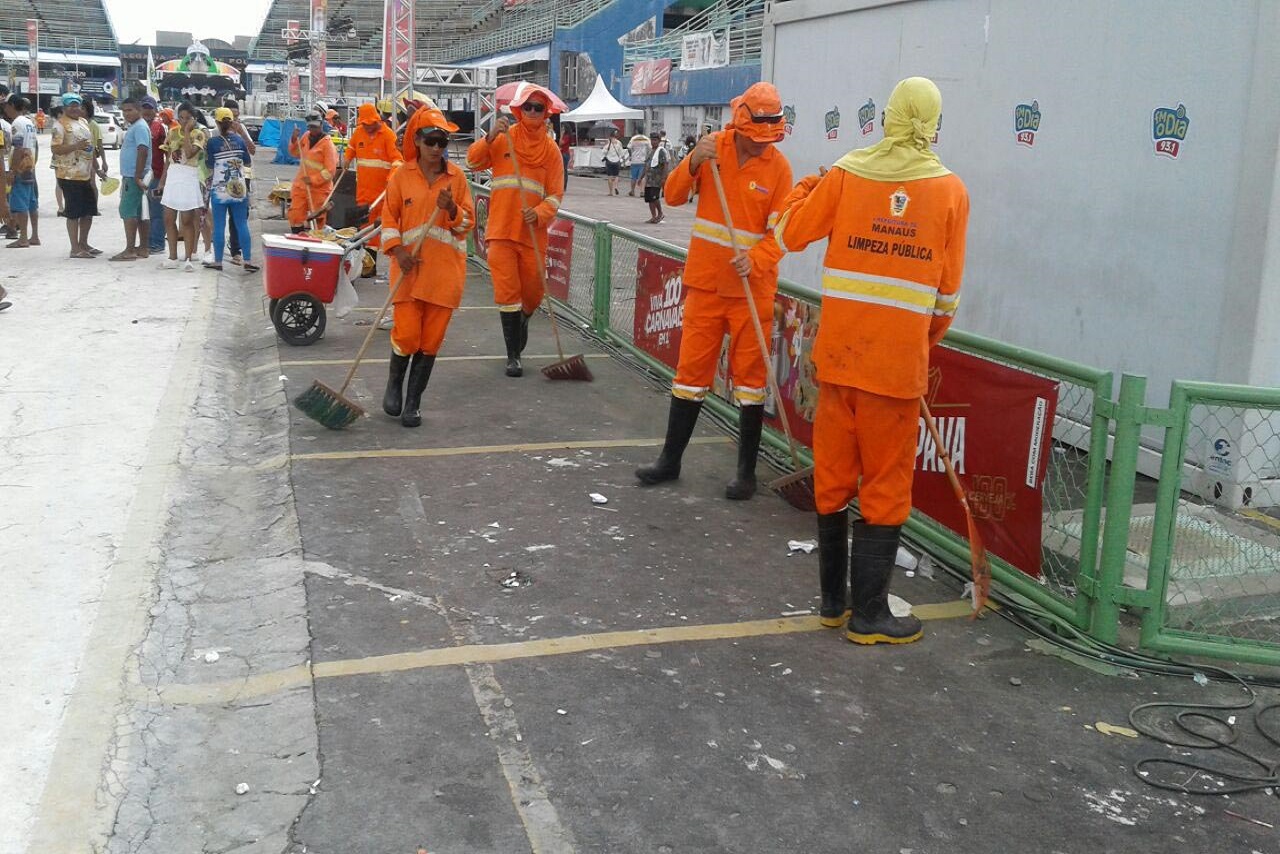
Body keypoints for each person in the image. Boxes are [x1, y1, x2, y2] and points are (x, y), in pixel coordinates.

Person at [775, 77, 969, 645]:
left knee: (832, 479)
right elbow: (947, 298)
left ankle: (833, 605)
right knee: (886, 487)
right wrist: (916, 346)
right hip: (893, 371)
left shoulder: (844, 173)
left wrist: (807, 187)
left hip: (837, 361)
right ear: (933, 122)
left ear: (886, 116)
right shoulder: (952, 191)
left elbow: (788, 233)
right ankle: (870, 616)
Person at [634, 82, 793, 500]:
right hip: (705, 284)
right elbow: (671, 195)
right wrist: (691, 162)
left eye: (769, 139)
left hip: (751, 289)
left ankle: (745, 474)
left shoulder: (779, 169)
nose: (762, 146)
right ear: (740, 127)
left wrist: (756, 258)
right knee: (689, 377)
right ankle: (670, 460)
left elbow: (782, 235)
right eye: (756, 138)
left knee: (751, 383)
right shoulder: (711, 150)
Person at [380, 108, 475, 427]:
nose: (437, 148)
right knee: (407, 336)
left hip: (444, 275)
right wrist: (397, 250)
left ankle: (413, 403)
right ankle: (394, 384)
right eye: (431, 141)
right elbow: (389, 219)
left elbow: (467, 225)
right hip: (408, 272)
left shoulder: (457, 179)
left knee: (430, 341)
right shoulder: (401, 176)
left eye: (442, 142)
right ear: (418, 141)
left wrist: (452, 210)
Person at [465, 83, 564, 378]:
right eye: (529, 107)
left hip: (533, 234)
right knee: (508, 292)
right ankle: (513, 356)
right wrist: (490, 136)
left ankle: (523, 319)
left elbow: (556, 194)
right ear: (519, 110)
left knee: (532, 293)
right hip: (500, 230)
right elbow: (472, 161)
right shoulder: (503, 139)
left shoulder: (552, 151)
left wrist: (541, 212)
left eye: (539, 108)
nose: (534, 112)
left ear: (546, 113)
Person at [345, 102, 402, 272]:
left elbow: (397, 161)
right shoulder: (359, 132)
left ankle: (370, 266)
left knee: (374, 228)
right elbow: (351, 147)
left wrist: (392, 178)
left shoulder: (388, 135)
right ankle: (362, 263)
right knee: (362, 226)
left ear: (376, 120)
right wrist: (347, 158)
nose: (367, 127)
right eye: (364, 124)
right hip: (362, 189)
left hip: (380, 193)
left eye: (369, 124)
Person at [204, 107, 256, 273]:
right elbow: (247, 162)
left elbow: (209, 165)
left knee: (219, 225)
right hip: (239, 188)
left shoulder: (212, 142)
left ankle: (218, 261)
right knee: (241, 224)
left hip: (219, 189)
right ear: (232, 121)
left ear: (218, 123)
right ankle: (247, 260)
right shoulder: (240, 141)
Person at [157, 102, 207, 271]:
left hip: (188, 175)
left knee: (186, 219)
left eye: (188, 118)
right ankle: (172, 257)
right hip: (174, 175)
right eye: (182, 118)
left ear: (194, 118)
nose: (184, 121)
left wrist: (186, 132)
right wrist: (163, 180)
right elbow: (168, 158)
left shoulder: (199, 134)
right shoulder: (171, 133)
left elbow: (191, 152)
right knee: (168, 218)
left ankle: (188, 257)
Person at [49, 93, 100, 259]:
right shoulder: (59, 125)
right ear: (64, 107)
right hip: (69, 175)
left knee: (89, 210)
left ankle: (84, 243)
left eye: (77, 105)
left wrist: (96, 167)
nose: (75, 108)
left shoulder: (83, 122)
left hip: (85, 173)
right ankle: (75, 248)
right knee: (73, 212)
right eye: (71, 105)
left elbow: (90, 147)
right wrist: (75, 146)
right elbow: (55, 149)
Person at [111, 98, 152, 261]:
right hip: (135, 175)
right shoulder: (136, 127)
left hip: (135, 176)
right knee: (141, 212)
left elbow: (142, 150)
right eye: (124, 111)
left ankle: (130, 249)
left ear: (138, 109)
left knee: (128, 211)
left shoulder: (140, 127)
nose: (126, 113)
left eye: (129, 110)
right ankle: (143, 248)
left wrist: (136, 174)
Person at [288, 114, 338, 233]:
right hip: (301, 185)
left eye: (315, 127)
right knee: (295, 214)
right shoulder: (306, 136)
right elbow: (295, 153)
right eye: (310, 127)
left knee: (318, 219)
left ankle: (317, 242)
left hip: (319, 189)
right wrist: (294, 139)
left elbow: (330, 171)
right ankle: (297, 239)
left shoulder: (327, 145)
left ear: (321, 125)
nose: (313, 130)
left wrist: (313, 180)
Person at [222, 100, 257, 265]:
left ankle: (236, 248)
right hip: (224, 176)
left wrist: (242, 133)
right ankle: (232, 248)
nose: (234, 120)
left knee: (241, 213)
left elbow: (252, 151)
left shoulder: (241, 130)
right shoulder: (216, 133)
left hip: (243, 176)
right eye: (231, 116)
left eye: (236, 116)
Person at [4, 94, 39, 247]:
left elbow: (18, 148)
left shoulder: (17, 123)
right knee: (32, 202)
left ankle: (23, 238)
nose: (4, 109)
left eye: (6, 106)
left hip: (20, 167)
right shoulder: (29, 122)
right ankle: (34, 236)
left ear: (12, 105)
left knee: (20, 203)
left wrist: (12, 171)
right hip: (30, 166)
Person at [141, 97, 168, 255]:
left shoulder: (159, 128)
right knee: (144, 211)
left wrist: (164, 179)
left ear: (155, 109)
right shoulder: (138, 126)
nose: (146, 111)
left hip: (156, 175)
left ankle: (157, 243)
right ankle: (147, 241)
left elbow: (167, 154)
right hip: (141, 176)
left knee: (157, 211)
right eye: (144, 108)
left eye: (149, 108)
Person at [640, 129, 670, 224]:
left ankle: (660, 213)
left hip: (656, 179)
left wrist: (664, 178)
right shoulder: (650, 151)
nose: (653, 142)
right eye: (652, 140)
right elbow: (646, 165)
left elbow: (665, 164)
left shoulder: (661, 151)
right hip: (649, 179)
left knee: (654, 197)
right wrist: (641, 177)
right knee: (649, 198)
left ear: (659, 141)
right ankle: (653, 216)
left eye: (655, 140)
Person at [601, 127, 623, 196]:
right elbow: (621, 153)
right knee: (616, 176)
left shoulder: (608, 143)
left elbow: (603, 152)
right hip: (617, 161)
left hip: (609, 161)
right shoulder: (619, 143)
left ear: (610, 136)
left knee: (610, 177)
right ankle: (616, 187)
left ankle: (611, 192)